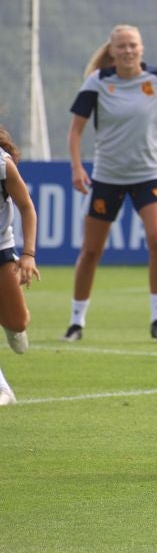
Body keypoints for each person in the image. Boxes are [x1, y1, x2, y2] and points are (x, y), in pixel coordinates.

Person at [65, 24, 157, 343]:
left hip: (148, 174)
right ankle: (76, 321)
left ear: (142, 48)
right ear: (111, 50)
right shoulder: (97, 81)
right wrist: (77, 167)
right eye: (121, 46)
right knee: (91, 250)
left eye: (133, 45)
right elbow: (75, 131)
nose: (128, 51)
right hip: (107, 177)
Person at [0, 124, 40, 406]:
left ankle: (14, 324)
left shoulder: (3, 165)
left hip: (2, 249)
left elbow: (26, 207)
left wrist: (28, 255)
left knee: (17, 321)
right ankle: (4, 389)